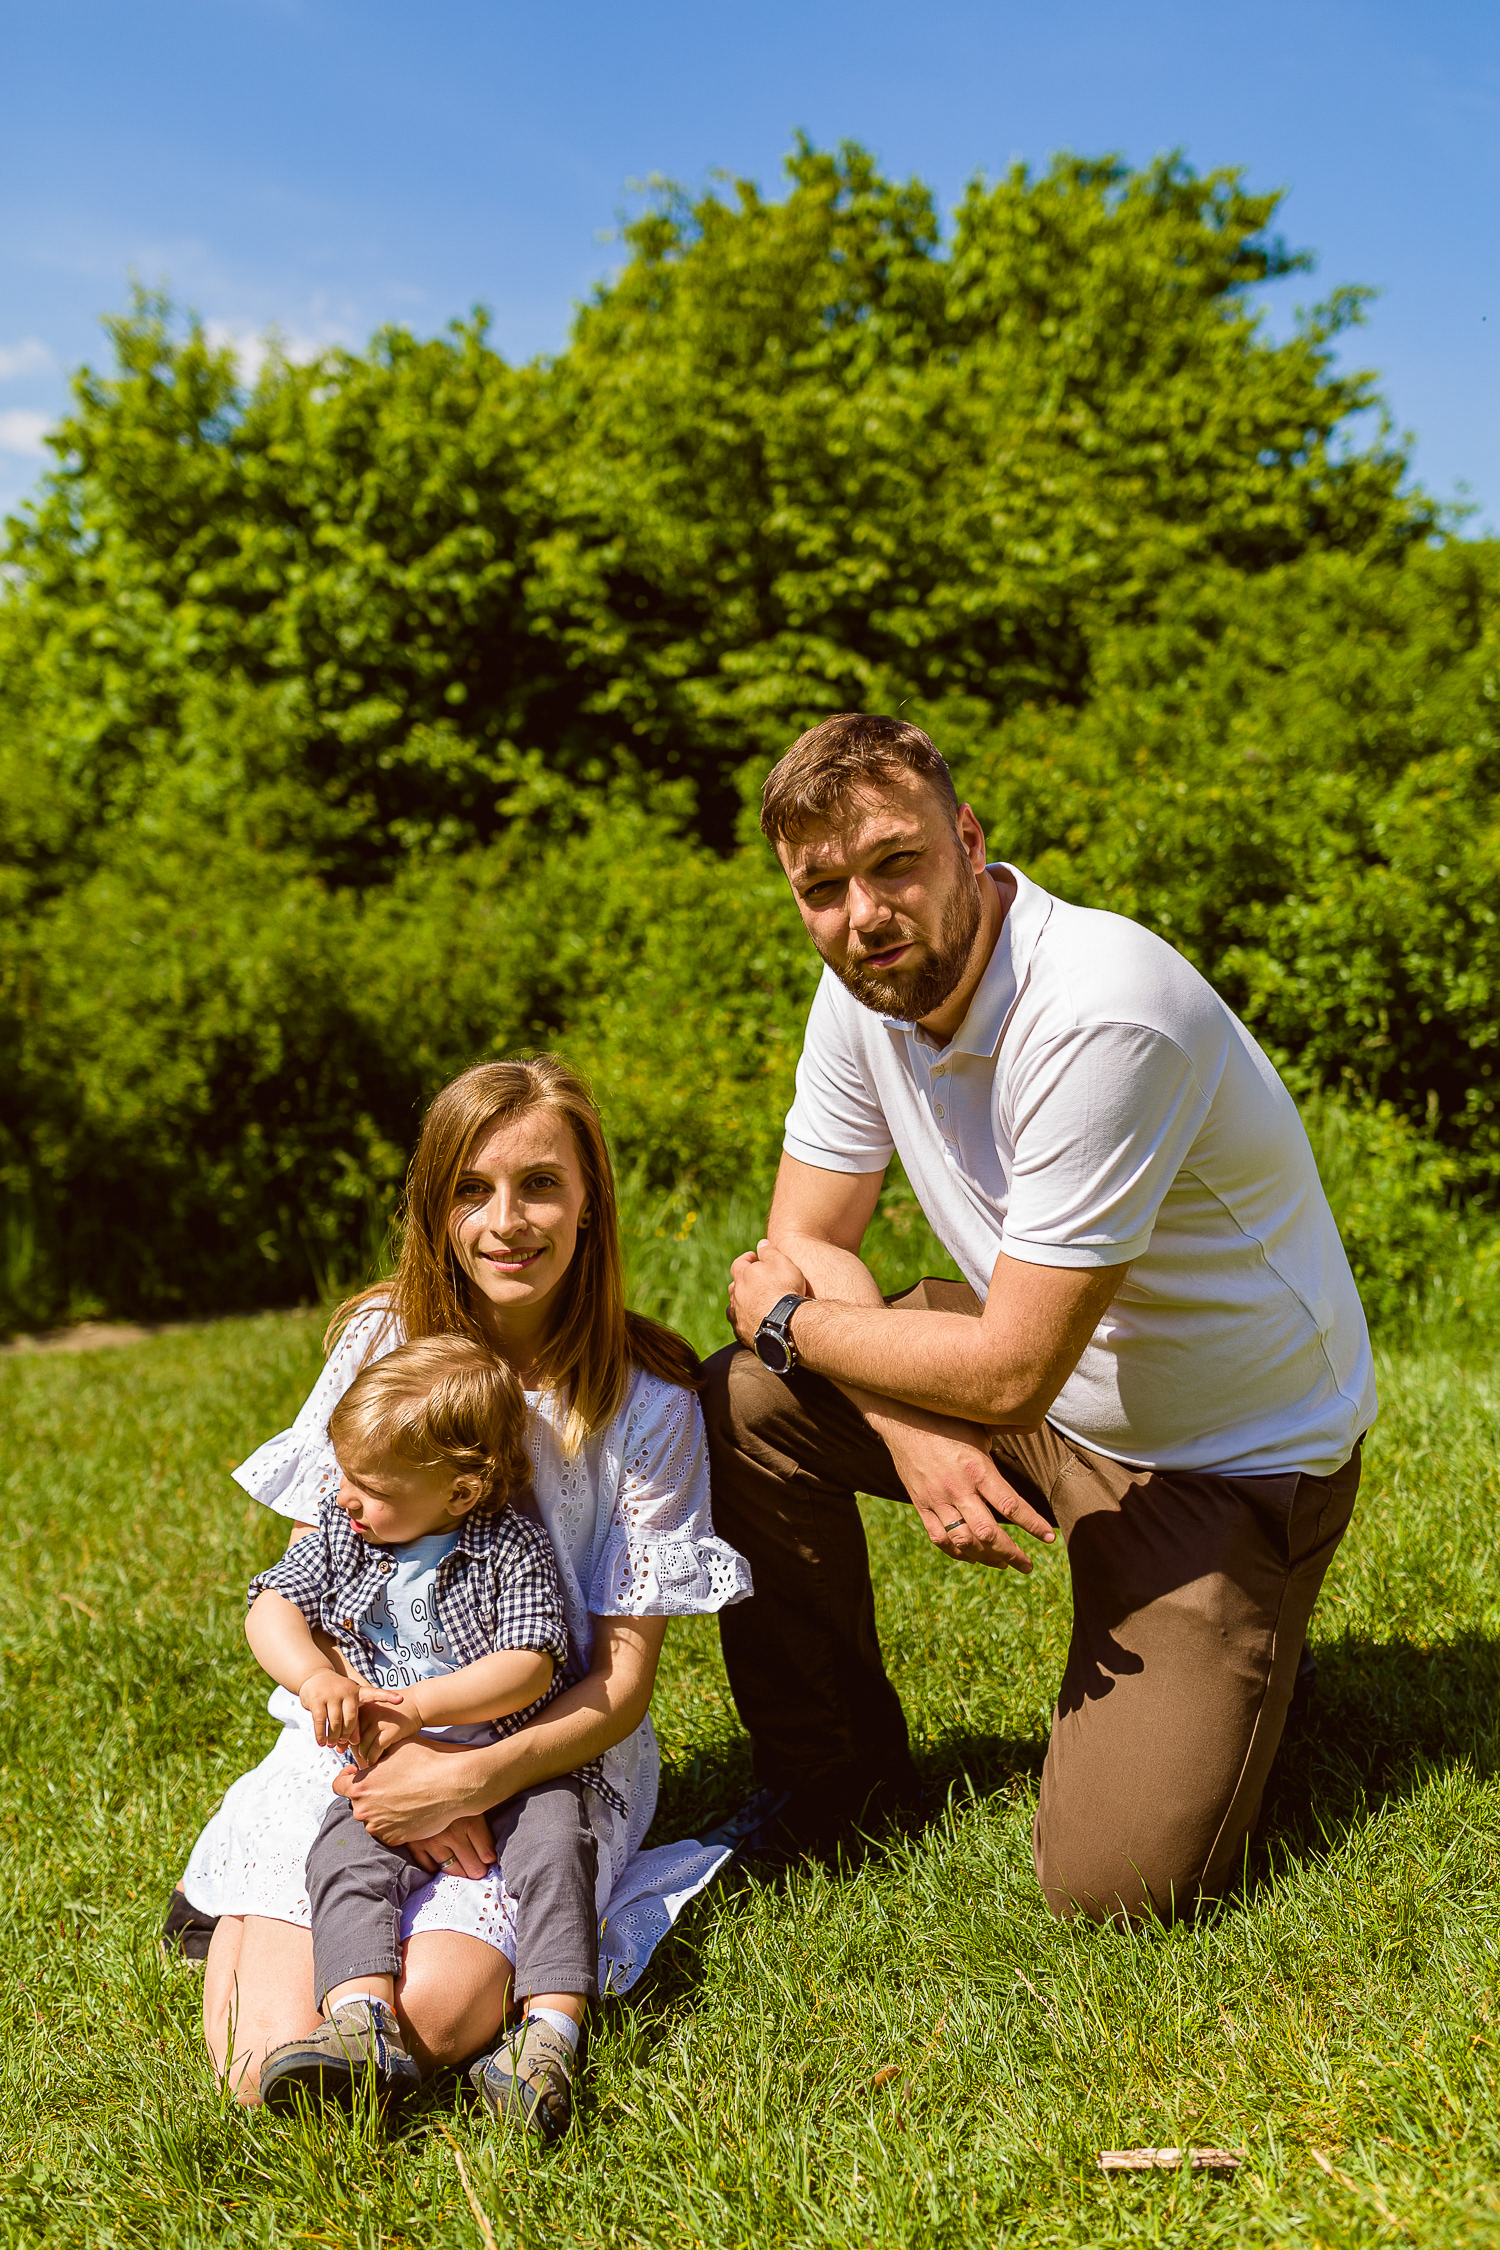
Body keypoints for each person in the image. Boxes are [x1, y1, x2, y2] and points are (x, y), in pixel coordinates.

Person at [707, 712, 1375, 1923]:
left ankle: (1255, 1640)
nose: (865, 914)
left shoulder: (1102, 1010)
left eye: (897, 863)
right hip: (1053, 1380)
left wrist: (797, 1325)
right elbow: (804, 1240)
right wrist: (908, 1426)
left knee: (1115, 1889)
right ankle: (833, 1780)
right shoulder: (866, 987)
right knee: (748, 1397)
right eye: (823, 888)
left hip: (1225, 1462)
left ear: (968, 841)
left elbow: (996, 1365)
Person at [178, 1055, 752, 2115]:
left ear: (590, 1204)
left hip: (547, 1752)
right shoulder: (382, 1343)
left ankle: (486, 1982)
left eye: (540, 1185)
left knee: (431, 2020)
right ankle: (264, 1910)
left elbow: (620, 1688)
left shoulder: (650, 1405)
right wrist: (393, 1751)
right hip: (363, 1729)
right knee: (262, 2065)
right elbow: (311, 1589)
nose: (506, 1221)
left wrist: (470, 1779)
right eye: (472, 1190)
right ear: (436, 1209)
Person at [244, 1334, 599, 2138]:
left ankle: (549, 2034)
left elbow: (529, 1665)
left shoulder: (507, 1546)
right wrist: (316, 1677)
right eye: (345, 1476)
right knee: (344, 1855)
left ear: (461, 1491)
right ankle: (359, 2018)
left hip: (507, 1761)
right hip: (388, 1768)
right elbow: (270, 1606)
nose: (344, 1497)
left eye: (369, 1486)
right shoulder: (344, 1537)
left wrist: (417, 1705)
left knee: (557, 1846)